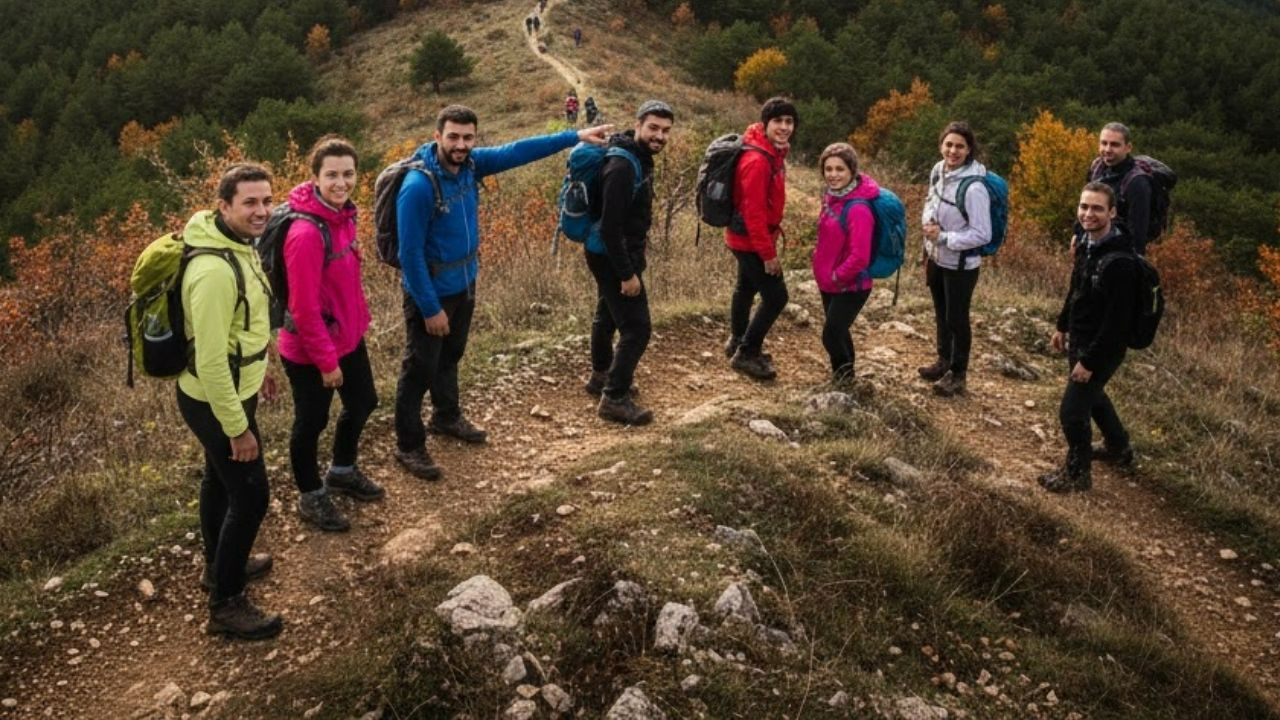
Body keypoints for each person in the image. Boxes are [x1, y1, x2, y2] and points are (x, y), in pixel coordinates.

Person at [394, 105, 612, 480]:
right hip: (430, 291)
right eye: (453, 137)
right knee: (419, 368)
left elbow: (517, 150)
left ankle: (446, 417)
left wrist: (573, 137)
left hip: (464, 282)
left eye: (468, 138)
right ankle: (409, 445)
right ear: (437, 137)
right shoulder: (418, 187)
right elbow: (409, 254)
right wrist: (430, 308)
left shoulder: (472, 165)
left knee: (450, 356)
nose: (461, 145)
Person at [177, 163, 280, 640]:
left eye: (266, 201)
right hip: (217, 400)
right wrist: (237, 429)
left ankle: (216, 567)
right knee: (251, 495)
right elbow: (212, 361)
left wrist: (264, 367)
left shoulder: (238, 244)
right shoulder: (212, 270)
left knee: (218, 483)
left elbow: (248, 323)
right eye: (250, 203)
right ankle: (226, 602)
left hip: (237, 388)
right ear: (224, 207)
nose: (262, 211)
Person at [278, 137, 382, 533]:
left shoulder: (344, 215)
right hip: (309, 350)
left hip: (347, 336)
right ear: (315, 177)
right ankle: (310, 494)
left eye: (348, 173)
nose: (342, 182)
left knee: (364, 401)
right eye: (332, 175)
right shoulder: (305, 234)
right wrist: (327, 363)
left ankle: (341, 469)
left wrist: (359, 322)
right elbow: (303, 308)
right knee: (311, 421)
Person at [1039, 182, 1137, 493]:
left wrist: (1090, 361)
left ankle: (1077, 474)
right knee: (1093, 397)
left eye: (1096, 208)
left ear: (1112, 212)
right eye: (1084, 207)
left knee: (1071, 411)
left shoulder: (1121, 262)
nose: (1088, 214)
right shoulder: (1086, 243)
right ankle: (1118, 447)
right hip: (1081, 337)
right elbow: (1076, 288)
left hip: (1102, 347)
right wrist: (1062, 324)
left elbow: (1117, 323)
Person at [583, 100, 675, 425]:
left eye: (665, 131)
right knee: (637, 328)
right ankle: (614, 398)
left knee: (606, 315)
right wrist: (627, 274)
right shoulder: (623, 166)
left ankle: (600, 377)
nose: (659, 136)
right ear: (637, 125)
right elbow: (610, 228)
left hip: (608, 251)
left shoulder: (636, 155)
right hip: (612, 255)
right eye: (653, 128)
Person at [724, 96, 797, 381]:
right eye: (778, 121)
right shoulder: (758, 160)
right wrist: (768, 255)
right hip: (751, 240)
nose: (784, 127)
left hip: (744, 237)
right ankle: (747, 353)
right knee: (777, 297)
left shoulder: (770, 151)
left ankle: (737, 341)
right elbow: (753, 213)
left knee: (745, 288)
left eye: (789, 121)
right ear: (765, 124)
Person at [918, 121, 992, 397]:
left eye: (960, 146)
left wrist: (945, 237)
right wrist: (929, 228)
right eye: (948, 144)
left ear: (969, 149)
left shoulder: (974, 188)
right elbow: (930, 200)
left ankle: (958, 374)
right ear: (941, 145)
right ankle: (943, 361)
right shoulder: (938, 170)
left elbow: (982, 234)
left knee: (957, 318)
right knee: (941, 311)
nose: (953, 150)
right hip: (936, 256)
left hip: (962, 265)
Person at [812, 143, 877, 385]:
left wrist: (837, 276)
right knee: (838, 331)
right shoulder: (832, 198)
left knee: (831, 335)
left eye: (840, 169)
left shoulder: (858, 208)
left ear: (852, 171)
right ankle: (845, 377)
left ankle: (844, 379)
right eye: (828, 169)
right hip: (829, 282)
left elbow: (860, 256)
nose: (833, 174)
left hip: (851, 285)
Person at [1087, 122, 1153, 255]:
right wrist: (1077, 235)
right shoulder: (1097, 168)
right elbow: (1086, 206)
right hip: (1093, 245)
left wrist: (1132, 265)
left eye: (1114, 144)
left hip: (1119, 254)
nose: (1107, 149)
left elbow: (1138, 234)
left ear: (1128, 148)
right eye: (1103, 143)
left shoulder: (1137, 183)